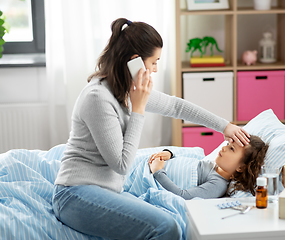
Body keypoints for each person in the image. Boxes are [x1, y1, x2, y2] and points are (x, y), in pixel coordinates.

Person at [52, 18, 250, 240]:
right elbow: (121, 165)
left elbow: (176, 106)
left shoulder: (127, 89)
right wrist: (138, 109)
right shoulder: (98, 97)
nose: (155, 69)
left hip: (101, 191)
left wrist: (224, 125)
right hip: (74, 195)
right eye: (154, 62)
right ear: (134, 61)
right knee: (166, 227)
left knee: (173, 220)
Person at [148, 135, 268, 200]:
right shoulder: (211, 164)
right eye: (228, 144)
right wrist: (170, 154)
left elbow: (183, 196)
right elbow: (185, 158)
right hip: (154, 163)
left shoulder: (218, 184)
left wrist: (158, 172)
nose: (223, 148)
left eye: (232, 149)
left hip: (151, 176)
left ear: (241, 167)